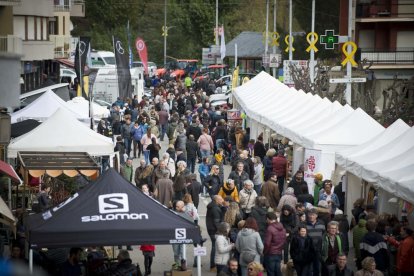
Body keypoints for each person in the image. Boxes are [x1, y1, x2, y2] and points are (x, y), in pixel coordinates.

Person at [264, 212, 286, 276]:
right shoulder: (282, 228)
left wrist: (265, 252)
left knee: (271, 272)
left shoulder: (269, 228)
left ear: (268, 219)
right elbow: (284, 240)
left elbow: (267, 243)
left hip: (270, 253)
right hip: (279, 253)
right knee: (278, 272)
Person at [206, 195, 224, 272]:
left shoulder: (213, 206)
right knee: (215, 247)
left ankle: (213, 265)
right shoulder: (215, 208)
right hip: (214, 230)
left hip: (211, 229)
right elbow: (217, 222)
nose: (222, 200)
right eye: (220, 199)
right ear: (216, 200)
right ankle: (213, 265)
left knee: (214, 246)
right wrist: (221, 231)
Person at [306, 208, 326, 276]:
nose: (311, 216)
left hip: (318, 250)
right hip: (308, 250)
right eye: (310, 215)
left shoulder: (322, 224)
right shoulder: (304, 224)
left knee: (317, 268)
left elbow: (324, 235)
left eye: (313, 215)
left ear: (316, 215)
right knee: (309, 269)